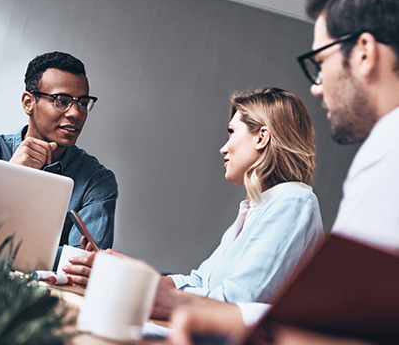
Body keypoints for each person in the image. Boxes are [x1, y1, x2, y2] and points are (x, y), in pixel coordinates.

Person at [168, 0, 399, 345]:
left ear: (363, 52)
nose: (317, 86)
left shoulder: (387, 148)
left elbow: (336, 328)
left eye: (320, 63)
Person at [65, 87, 324, 320]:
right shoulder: (254, 208)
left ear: (261, 138)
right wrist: (128, 271)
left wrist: (136, 287)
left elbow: (237, 303)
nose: (224, 148)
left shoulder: (294, 202)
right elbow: (200, 281)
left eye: (232, 132)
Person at [0, 51, 118, 262]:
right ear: (28, 103)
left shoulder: (97, 182)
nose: (76, 113)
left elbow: (79, 264)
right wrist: (8, 177)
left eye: (82, 102)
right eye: (62, 101)